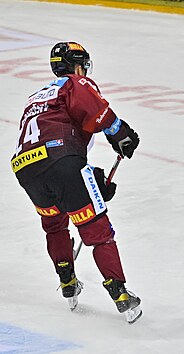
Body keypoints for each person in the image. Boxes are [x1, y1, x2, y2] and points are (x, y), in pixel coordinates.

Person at [10, 42, 142, 323]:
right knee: (97, 230)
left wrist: (91, 180)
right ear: (77, 65)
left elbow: (50, 149)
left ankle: (67, 282)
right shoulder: (74, 83)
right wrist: (119, 131)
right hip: (62, 162)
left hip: (26, 168)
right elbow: (91, 108)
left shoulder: (35, 98)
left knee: (54, 225)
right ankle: (120, 293)